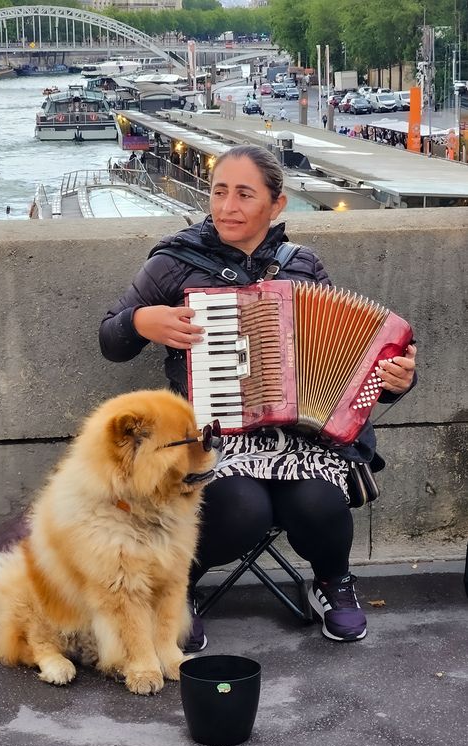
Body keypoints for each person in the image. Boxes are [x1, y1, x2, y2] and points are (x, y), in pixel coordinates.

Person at [99, 145, 417, 652]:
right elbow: (110, 340)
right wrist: (143, 321)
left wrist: (395, 379)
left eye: (245, 195)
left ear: (277, 205)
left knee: (318, 501)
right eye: (219, 192)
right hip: (210, 434)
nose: (227, 207)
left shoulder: (302, 265)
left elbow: (348, 359)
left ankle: (333, 582)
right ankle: (174, 589)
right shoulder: (174, 263)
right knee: (241, 508)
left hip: (296, 437)